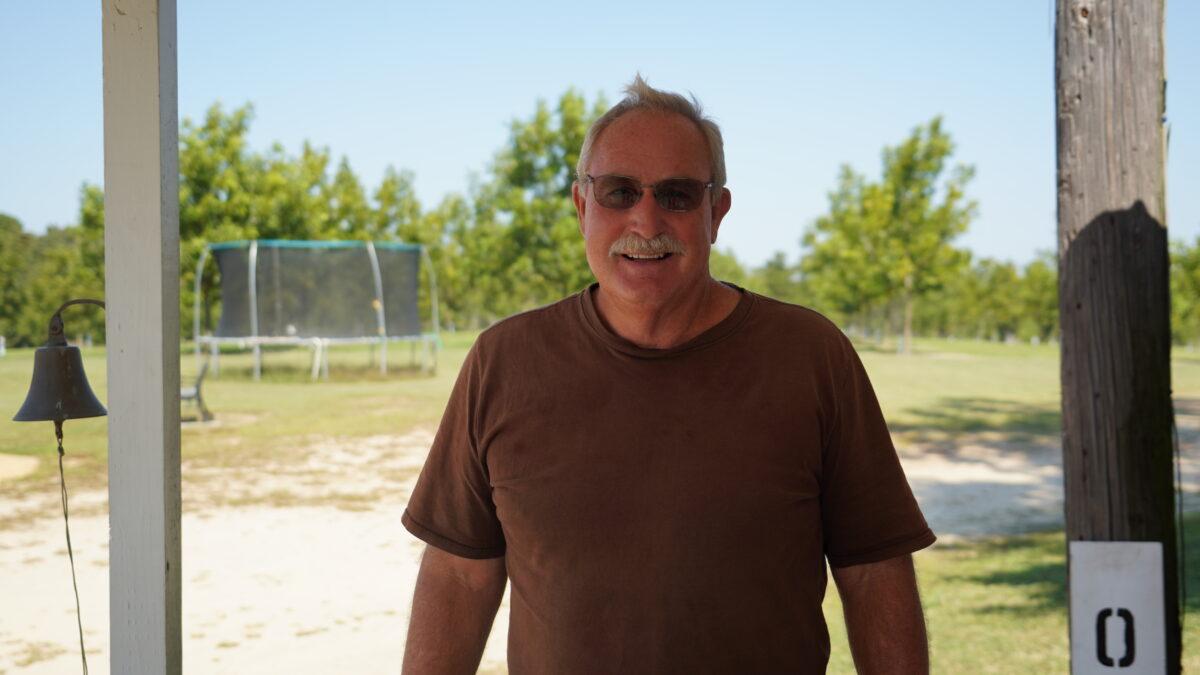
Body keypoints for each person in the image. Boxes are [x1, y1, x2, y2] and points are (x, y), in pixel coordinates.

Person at [401, 75, 935, 674]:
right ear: (582, 206)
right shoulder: (503, 362)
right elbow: (458, 573)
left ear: (717, 212)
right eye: (619, 191)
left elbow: (873, 570)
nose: (645, 219)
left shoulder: (811, 357)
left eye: (678, 194)